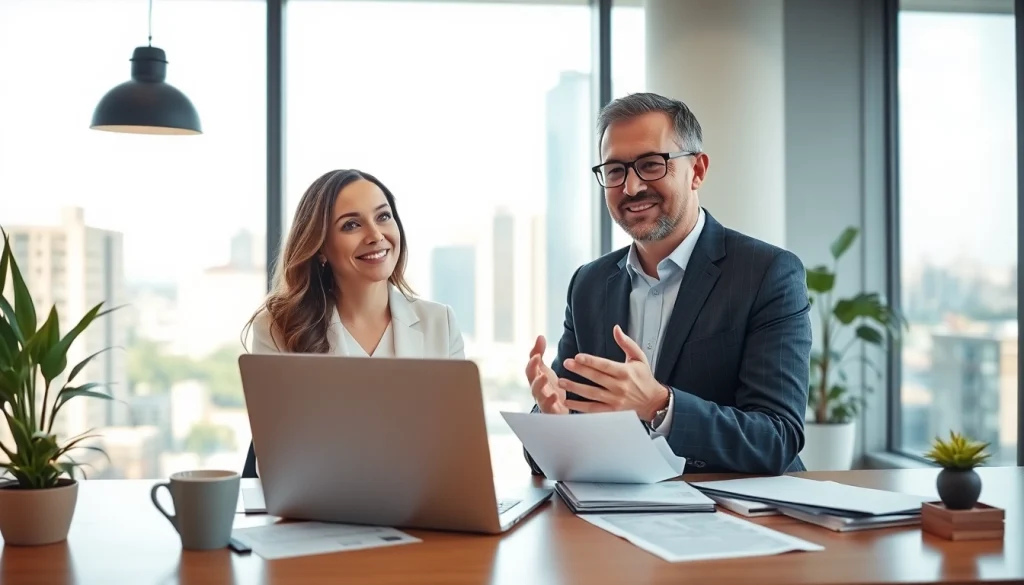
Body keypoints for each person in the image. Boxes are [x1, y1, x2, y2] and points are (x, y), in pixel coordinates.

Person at [524, 92, 811, 475]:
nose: (631, 187)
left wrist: (660, 405)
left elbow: (778, 438)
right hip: (619, 507)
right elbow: (552, 444)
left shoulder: (767, 273)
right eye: (615, 171)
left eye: (650, 165)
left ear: (697, 170)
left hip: (736, 509)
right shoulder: (589, 285)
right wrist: (553, 423)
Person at [240, 169, 465, 477]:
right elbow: (275, 461)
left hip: (423, 501)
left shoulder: (440, 323)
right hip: (321, 503)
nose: (375, 235)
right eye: (351, 225)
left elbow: (456, 449)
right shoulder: (278, 328)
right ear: (320, 247)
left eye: (383, 217)